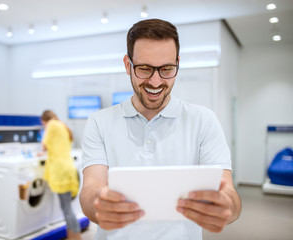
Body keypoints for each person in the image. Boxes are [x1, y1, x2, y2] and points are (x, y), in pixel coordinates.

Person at [79, 18, 241, 240]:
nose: (155, 82)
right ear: (128, 65)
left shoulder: (203, 120)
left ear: (177, 64)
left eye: (166, 69)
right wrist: (98, 205)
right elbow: (90, 189)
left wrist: (227, 207)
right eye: (144, 69)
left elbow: (230, 194)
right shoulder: (99, 122)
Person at [40, 110, 82, 240]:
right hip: (69, 168)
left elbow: (44, 145)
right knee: (67, 207)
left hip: (61, 171)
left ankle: (76, 237)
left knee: (66, 208)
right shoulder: (62, 125)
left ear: (44, 121)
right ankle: (72, 236)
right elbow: (58, 148)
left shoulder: (51, 125)